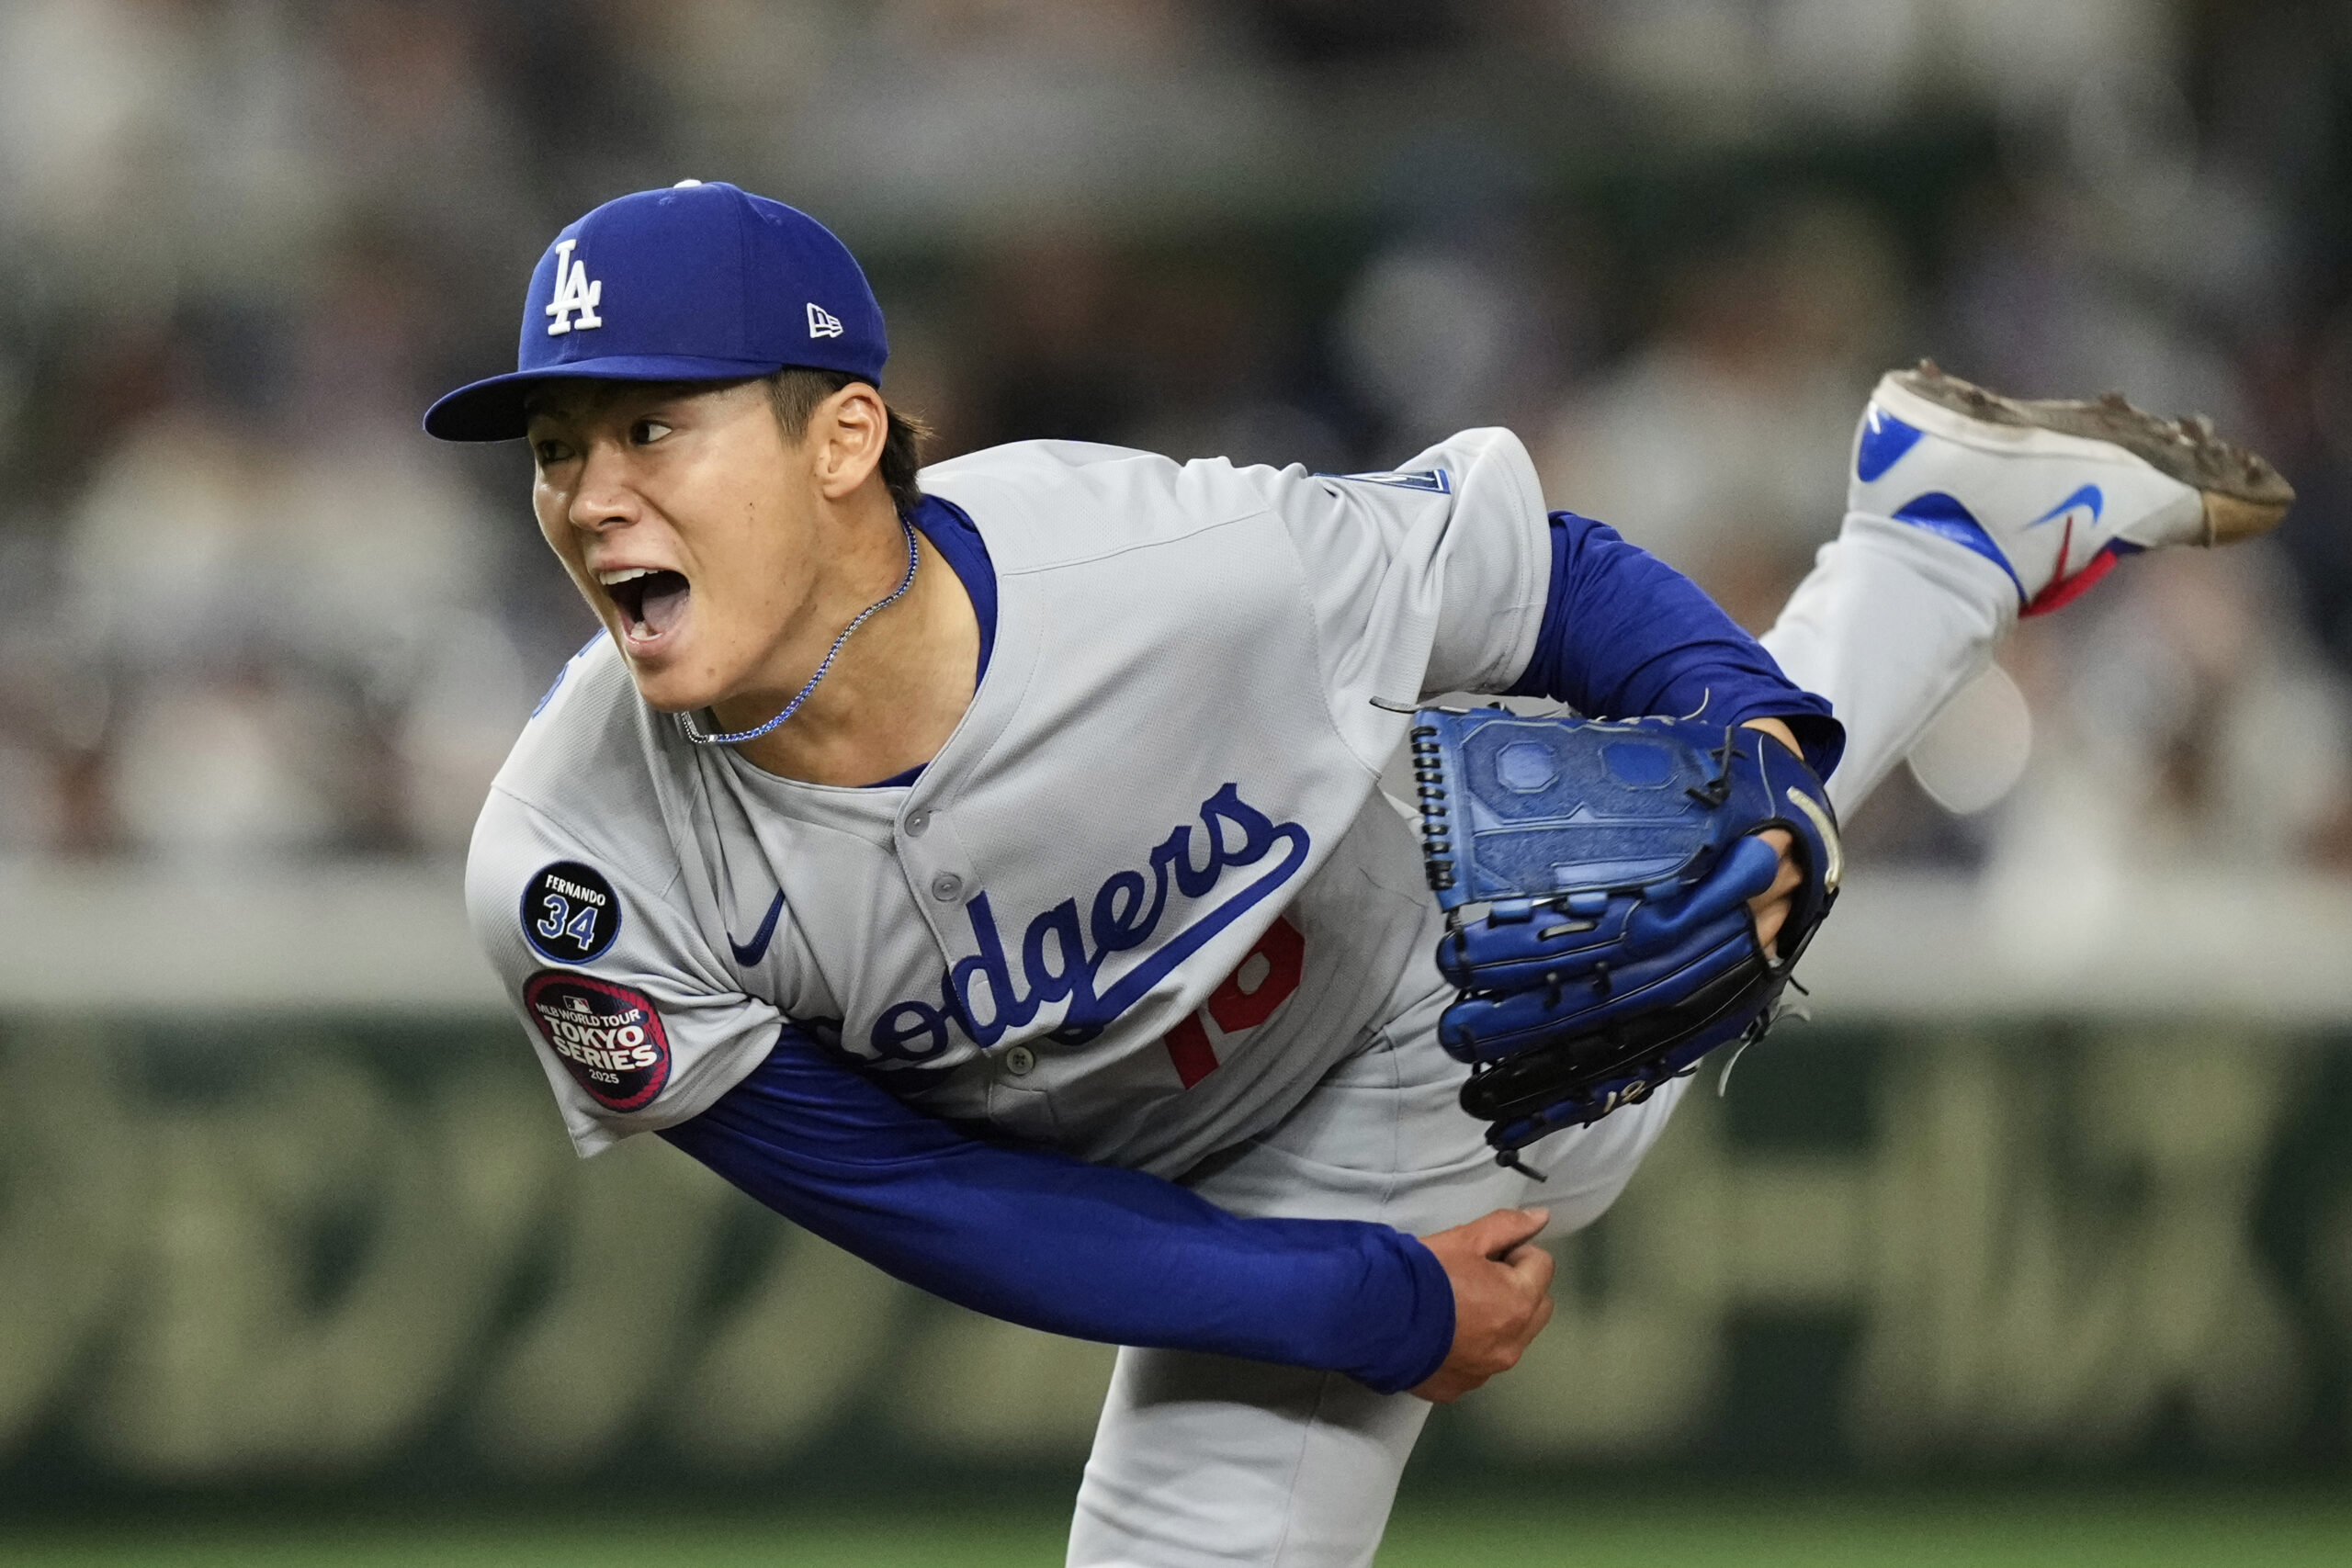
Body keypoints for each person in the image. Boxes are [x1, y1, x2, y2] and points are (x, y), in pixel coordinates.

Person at [427, 182, 2289, 1567]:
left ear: (845, 435)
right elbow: (912, 1188)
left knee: (1706, 860)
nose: (590, 495)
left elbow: (1537, 576)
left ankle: (1936, 548)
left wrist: (1754, 745)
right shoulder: (577, 865)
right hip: (1186, 1198)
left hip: (1434, 1015)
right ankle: (1947, 531)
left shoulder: (1158, 567)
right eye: (558, 445)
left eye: (655, 427)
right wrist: (1352, 1301)